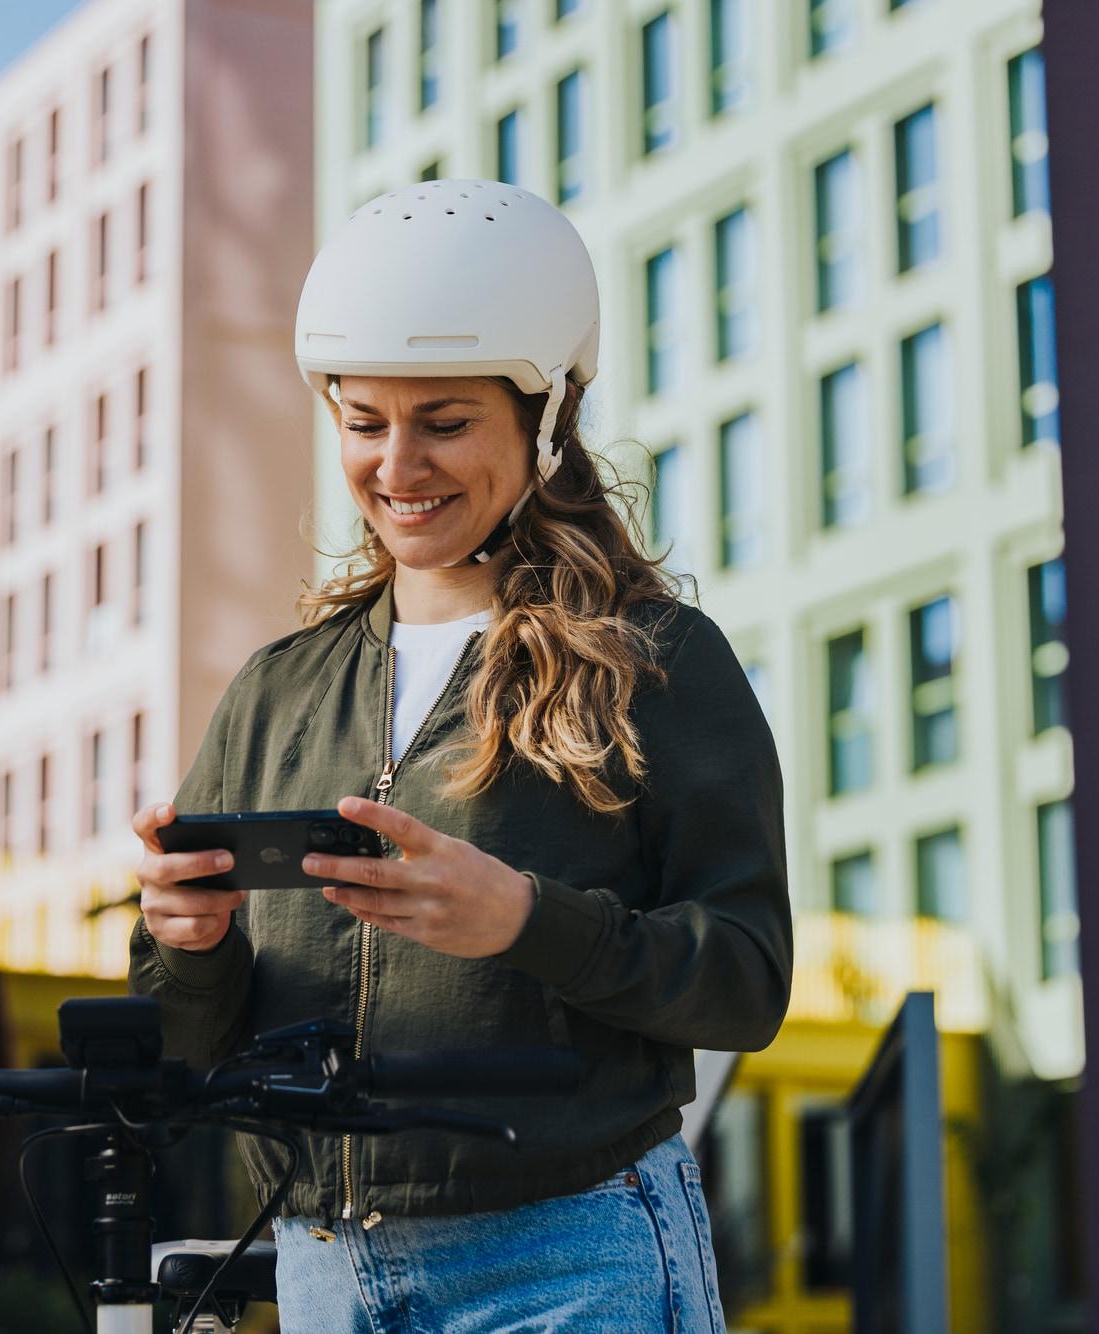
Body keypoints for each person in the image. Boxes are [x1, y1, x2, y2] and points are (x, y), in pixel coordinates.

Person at [130, 179, 791, 1332]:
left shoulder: (656, 659)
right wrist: (188, 945)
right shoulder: (276, 689)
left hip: (569, 1253)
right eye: (361, 420)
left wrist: (524, 919)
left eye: (443, 420)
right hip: (321, 1269)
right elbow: (179, 1047)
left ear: (542, 418)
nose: (396, 466)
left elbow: (746, 975)